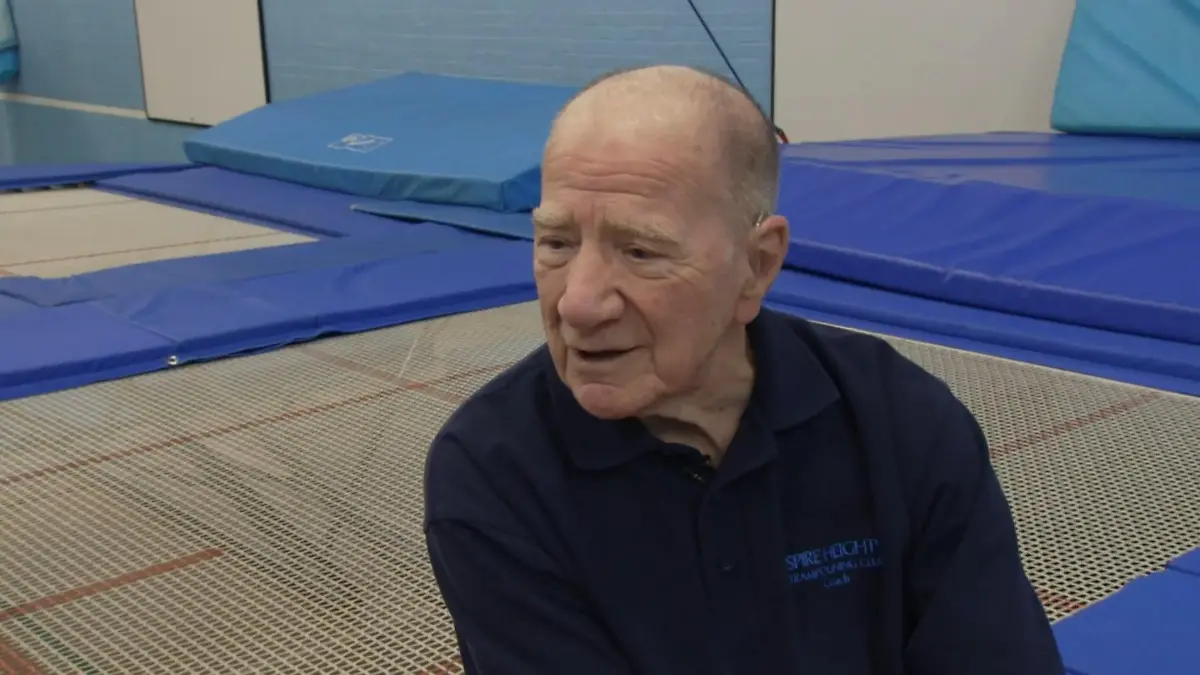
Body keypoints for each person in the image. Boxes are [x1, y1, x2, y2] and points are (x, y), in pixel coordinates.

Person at [422, 64, 1065, 674]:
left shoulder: (901, 422)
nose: (578, 302)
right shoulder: (493, 475)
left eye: (641, 250)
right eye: (556, 242)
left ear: (756, 266)